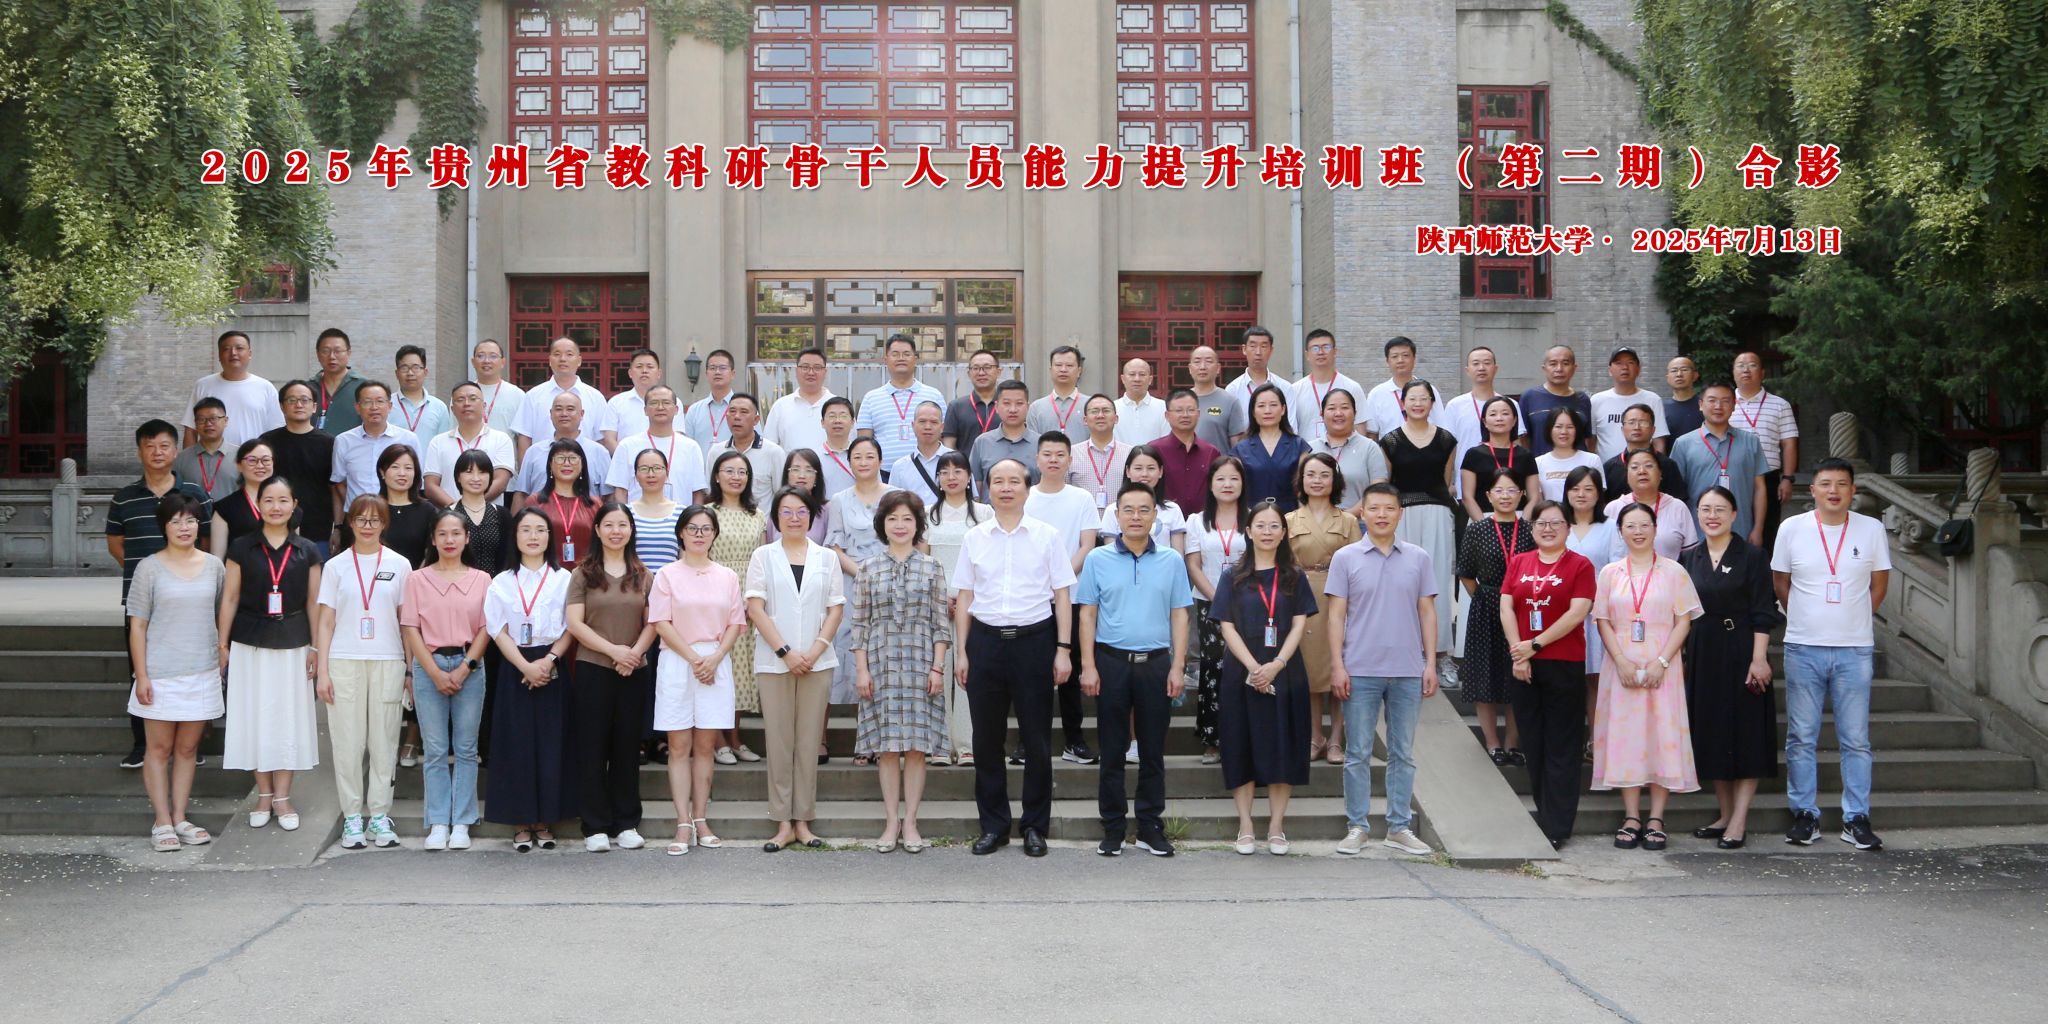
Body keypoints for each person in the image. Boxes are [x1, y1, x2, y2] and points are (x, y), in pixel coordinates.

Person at [950, 458, 1077, 857]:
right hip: (985, 643)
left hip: (1034, 642)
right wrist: (962, 652)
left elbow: (1062, 596)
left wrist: (1063, 650)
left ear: (1027, 487)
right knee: (986, 740)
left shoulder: (1047, 536)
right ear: (987, 489)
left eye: (1014, 481)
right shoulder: (975, 537)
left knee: (1037, 739)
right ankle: (994, 826)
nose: (1006, 488)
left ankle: (1035, 827)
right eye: (998, 481)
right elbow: (965, 596)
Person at [1772, 458, 1890, 851]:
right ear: (1813, 490)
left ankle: (1856, 818)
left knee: (1855, 739)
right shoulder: (1792, 528)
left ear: (1853, 490)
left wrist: (1853, 618)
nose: (1834, 491)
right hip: (1803, 646)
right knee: (1801, 736)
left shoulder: (1871, 529)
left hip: (1854, 648)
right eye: (1825, 483)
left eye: (1842, 483)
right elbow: (1781, 581)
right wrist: (1804, 617)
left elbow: (1879, 584)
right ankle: (1804, 815)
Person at [1077, 480, 1192, 857]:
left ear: (1156, 516)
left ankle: (1149, 827)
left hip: (1156, 664)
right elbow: (1087, 615)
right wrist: (1088, 665)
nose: (1136, 517)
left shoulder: (1171, 561)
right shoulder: (1098, 559)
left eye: (1144, 510)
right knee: (1112, 751)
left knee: (1153, 751)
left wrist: (1178, 666)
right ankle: (1112, 827)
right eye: (1128, 510)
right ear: (1117, 515)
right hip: (1111, 663)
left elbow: (1180, 615)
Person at [1325, 483, 1440, 857]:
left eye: (1389, 508)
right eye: (1374, 508)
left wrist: (1430, 663)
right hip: (1360, 668)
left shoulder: (1418, 557)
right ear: (1363, 512)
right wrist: (1337, 665)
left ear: (1400, 513)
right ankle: (1357, 826)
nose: (1381, 515)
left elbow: (1427, 611)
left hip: (1407, 669)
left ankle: (1398, 827)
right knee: (1357, 752)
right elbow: (1336, 615)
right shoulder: (1345, 557)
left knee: (1402, 753)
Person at [1593, 500, 1702, 852]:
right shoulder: (1610, 573)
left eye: (1645, 525)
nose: (1638, 532)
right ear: (1620, 532)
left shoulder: (1674, 571)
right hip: (1621, 666)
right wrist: (1621, 661)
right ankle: (1631, 816)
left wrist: (1663, 662)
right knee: (1626, 738)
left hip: (1662, 667)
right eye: (1630, 526)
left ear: (1656, 530)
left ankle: (1656, 817)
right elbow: (1602, 621)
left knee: (1661, 736)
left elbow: (1683, 620)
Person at [849, 491, 953, 853]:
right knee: (888, 748)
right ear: (882, 524)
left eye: (907, 518)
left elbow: (941, 624)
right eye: (892, 518)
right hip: (881, 665)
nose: (900, 525)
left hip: (921, 665)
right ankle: (891, 820)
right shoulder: (868, 568)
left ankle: (911, 821)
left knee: (917, 748)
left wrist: (938, 667)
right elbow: (859, 624)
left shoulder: (932, 567)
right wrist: (861, 670)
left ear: (917, 524)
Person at [107, 419, 215, 769]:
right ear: (140, 451)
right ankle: (142, 744)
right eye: (149, 446)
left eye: (164, 445)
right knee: (140, 668)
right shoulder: (124, 497)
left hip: (190, 599)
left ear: (175, 450)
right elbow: (115, 543)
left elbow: (207, 540)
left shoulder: (194, 493)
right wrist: (152, 577)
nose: (157, 452)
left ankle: (192, 744)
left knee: (194, 666)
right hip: (142, 600)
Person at [1678, 487, 1781, 850]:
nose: (1712, 516)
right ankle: (1723, 814)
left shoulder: (1752, 555)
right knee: (1712, 733)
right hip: (1703, 650)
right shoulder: (1688, 558)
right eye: (1705, 509)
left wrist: (1759, 658)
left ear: (1735, 514)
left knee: (1747, 731)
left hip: (1742, 648)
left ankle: (1739, 820)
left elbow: (1763, 610)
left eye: (1720, 509)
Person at [217, 476, 322, 833]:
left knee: (287, 718)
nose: (276, 507)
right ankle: (263, 794)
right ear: (258, 505)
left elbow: (314, 602)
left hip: (294, 641)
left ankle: (283, 796)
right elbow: (230, 598)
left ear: (294, 505)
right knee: (254, 716)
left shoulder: (308, 550)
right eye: (269, 500)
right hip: (249, 640)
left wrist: (316, 647)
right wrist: (222, 645)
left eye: (283, 500)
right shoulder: (241, 547)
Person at [1211, 499, 1315, 854]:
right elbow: (1226, 625)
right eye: (1260, 526)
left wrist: (1277, 664)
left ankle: (1276, 827)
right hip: (1241, 670)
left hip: (1286, 671)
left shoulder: (1294, 576)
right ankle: (1245, 826)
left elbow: (1299, 623)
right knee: (1240, 744)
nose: (1267, 532)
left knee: (1283, 746)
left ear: (1284, 532)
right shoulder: (1233, 576)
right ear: (1248, 531)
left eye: (1274, 526)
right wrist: (1255, 668)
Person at [126, 492, 226, 852]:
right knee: (158, 748)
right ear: (164, 527)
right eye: (176, 521)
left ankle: (180, 817)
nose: (184, 527)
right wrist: (142, 674)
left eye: (191, 520)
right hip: (160, 671)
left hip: (201, 670)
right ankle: (162, 821)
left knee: (187, 748)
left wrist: (222, 651)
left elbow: (221, 613)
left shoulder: (214, 566)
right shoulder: (149, 568)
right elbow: (137, 625)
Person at [747, 487, 846, 850]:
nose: (793, 518)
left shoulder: (827, 558)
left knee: (808, 741)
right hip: (775, 662)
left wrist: (815, 649)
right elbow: (755, 608)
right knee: (779, 741)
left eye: (801, 511)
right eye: (786, 512)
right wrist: (786, 651)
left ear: (812, 516)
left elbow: (836, 608)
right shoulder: (763, 556)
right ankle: (782, 822)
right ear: (776, 517)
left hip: (817, 662)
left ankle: (803, 820)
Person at [648, 504, 748, 854]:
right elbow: (660, 622)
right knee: (679, 746)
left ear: (715, 534)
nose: (699, 534)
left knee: (706, 746)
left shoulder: (727, 576)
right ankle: (682, 822)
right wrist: (694, 659)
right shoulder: (666, 574)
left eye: (706, 528)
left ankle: (702, 818)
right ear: (681, 532)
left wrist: (715, 657)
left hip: (715, 661)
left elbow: (736, 622)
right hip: (678, 661)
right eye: (692, 528)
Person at [314, 494, 412, 850]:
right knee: (348, 743)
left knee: (384, 742)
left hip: (388, 659)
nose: (367, 526)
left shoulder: (400, 564)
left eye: (375, 520)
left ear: (384, 524)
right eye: (360, 519)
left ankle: (380, 815)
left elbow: (406, 622)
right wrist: (323, 671)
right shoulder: (335, 566)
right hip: (344, 659)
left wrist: (410, 670)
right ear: (350, 523)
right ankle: (353, 817)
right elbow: (326, 621)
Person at [1499, 499, 1598, 849]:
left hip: (1563, 663)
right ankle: (1545, 813)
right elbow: (1507, 606)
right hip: (1523, 664)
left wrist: (1535, 645)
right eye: (1541, 523)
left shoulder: (1580, 565)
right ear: (1532, 528)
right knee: (1534, 743)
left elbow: (1577, 612)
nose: (1548, 528)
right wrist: (1519, 652)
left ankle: (1558, 825)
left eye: (1556, 523)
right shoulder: (1520, 562)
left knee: (1561, 746)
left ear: (1568, 528)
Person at [565, 503, 658, 853]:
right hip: (594, 668)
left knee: (627, 748)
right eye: (609, 525)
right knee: (592, 747)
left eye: (622, 525)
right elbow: (575, 624)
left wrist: (633, 654)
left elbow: (653, 622)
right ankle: (595, 825)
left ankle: (626, 822)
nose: (616, 531)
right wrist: (614, 651)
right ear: (598, 530)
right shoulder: (583, 573)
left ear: (631, 530)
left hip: (634, 670)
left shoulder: (643, 574)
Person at [398, 510, 492, 852]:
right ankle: (438, 821)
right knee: (436, 749)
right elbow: (411, 627)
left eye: (456, 533)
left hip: (470, 665)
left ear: (467, 538)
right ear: (433, 539)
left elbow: (486, 628)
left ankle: (462, 821)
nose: (449, 540)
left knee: (466, 748)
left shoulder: (482, 579)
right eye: (442, 534)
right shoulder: (417, 579)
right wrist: (434, 672)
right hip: (429, 665)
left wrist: (466, 667)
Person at [484, 507, 577, 851]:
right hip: (515, 666)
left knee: (552, 743)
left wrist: (549, 661)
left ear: (550, 537)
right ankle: (521, 821)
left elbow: (572, 626)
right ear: (515, 536)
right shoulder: (501, 581)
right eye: (526, 530)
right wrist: (525, 666)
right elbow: (497, 630)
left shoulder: (565, 578)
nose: (533, 536)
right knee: (517, 744)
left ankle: (545, 819)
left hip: (553, 663)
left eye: (540, 530)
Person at [1025, 432, 1101, 766]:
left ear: (1070, 460)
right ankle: (1029, 743)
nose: (1053, 460)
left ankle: (1074, 740)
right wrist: (1044, 581)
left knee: (1070, 671)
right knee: (1033, 673)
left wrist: (1060, 577)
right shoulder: (1025, 497)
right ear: (1037, 459)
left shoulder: (1081, 498)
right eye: (1047, 454)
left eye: (1060, 454)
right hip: (1032, 598)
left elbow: (1087, 544)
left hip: (1074, 594)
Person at [824, 437, 902, 756]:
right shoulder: (839, 500)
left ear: (880, 460)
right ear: (850, 463)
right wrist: (862, 573)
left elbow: (905, 538)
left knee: (886, 657)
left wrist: (885, 574)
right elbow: (834, 546)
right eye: (857, 457)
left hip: (892, 583)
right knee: (856, 656)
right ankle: (862, 741)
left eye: (870, 456)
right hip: (853, 584)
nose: (864, 462)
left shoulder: (896, 496)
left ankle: (884, 740)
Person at [1380, 379, 1460, 685]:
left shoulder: (1446, 439)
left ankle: (1440, 654)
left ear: (1432, 403)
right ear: (1403, 403)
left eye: (1423, 398)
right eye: (1412, 398)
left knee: (1437, 581)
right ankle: (1407, 653)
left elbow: (1446, 482)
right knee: (1403, 582)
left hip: (1437, 513)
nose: (1417, 403)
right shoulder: (1390, 441)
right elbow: (1386, 484)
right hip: (1402, 515)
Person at [1285, 453, 1358, 766]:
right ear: (1301, 480)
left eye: (1324, 474)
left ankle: (1336, 738)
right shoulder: (1289, 520)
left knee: (1339, 668)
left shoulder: (1348, 521)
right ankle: (1315, 736)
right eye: (1311, 474)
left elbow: (1357, 564)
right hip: (1302, 596)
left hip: (1340, 595)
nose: (1317, 481)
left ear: (1335, 480)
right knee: (1311, 671)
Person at [1458, 472, 1535, 764]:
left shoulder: (1530, 530)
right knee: (1485, 676)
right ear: (1488, 496)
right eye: (1498, 491)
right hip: (1487, 608)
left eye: (1512, 490)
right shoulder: (1477, 529)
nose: (1505, 496)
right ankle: (1493, 744)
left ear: (1522, 495)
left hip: (1523, 608)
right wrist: (1484, 597)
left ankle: (1513, 743)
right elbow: (1466, 573)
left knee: (1518, 677)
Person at [925, 452, 990, 766]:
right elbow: (923, 561)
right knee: (938, 671)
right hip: (936, 603)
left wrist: (967, 599)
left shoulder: (984, 513)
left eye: (958, 471)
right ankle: (939, 743)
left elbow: (989, 560)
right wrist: (940, 598)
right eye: (945, 472)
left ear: (969, 478)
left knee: (967, 673)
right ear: (938, 479)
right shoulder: (927, 514)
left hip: (974, 604)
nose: (951, 477)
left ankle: (967, 744)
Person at [1184, 456, 1248, 764]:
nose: (1227, 484)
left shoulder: (1254, 517)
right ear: (1210, 484)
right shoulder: (1197, 521)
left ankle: (1244, 739)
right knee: (1213, 669)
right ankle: (1212, 740)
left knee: (1245, 667)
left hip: (1249, 606)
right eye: (1220, 478)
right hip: (1209, 605)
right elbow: (1193, 565)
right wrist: (1219, 599)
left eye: (1234, 478)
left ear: (1243, 483)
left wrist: (1240, 599)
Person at [707, 450, 769, 765]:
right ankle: (716, 739)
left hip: (749, 601)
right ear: (717, 476)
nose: (736, 477)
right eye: (729, 471)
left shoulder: (758, 515)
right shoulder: (706, 513)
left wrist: (754, 598)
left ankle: (735, 737)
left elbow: (762, 559)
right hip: (715, 598)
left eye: (742, 472)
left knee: (741, 674)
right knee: (719, 669)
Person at [1563, 466, 1619, 758]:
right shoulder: (1558, 524)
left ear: (1599, 493)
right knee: (1567, 680)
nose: (1581, 495)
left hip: (1598, 613)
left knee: (1596, 679)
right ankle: (1567, 743)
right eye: (1575, 489)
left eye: (1588, 489)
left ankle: (1596, 741)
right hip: (1561, 614)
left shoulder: (1610, 527)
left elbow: (1617, 571)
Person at [1671, 381, 1769, 545]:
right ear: (1701, 405)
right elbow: (1675, 493)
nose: (1718, 406)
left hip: (1741, 531)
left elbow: (1759, 488)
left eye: (1725, 401)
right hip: (1696, 534)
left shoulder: (1751, 441)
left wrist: (1758, 528)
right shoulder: (1683, 444)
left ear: (1734, 405)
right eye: (1712, 400)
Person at [261, 380, 337, 557]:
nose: (299, 405)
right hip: (275, 527)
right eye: (292, 400)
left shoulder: (330, 443)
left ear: (314, 407)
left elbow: (335, 488)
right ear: (282, 406)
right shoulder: (267, 442)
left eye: (304, 400)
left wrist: (338, 527)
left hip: (318, 529)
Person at [1733, 351, 1800, 553]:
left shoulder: (1780, 405)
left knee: (1767, 531)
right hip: (1735, 475)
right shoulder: (1724, 403)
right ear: (1733, 372)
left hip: (1769, 475)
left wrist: (1787, 478)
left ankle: (1765, 570)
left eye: (1752, 365)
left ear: (1762, 372)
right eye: (1740, 365)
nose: (1746, 370)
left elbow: (1789, 443)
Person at [329, 381, 420, 520]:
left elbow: (416, 480)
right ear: (357, 407)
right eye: (367, 402)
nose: (374, 407)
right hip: (357, 517)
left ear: (390, 406)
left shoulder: (408, 439)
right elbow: (339, 481)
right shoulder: (343, 441)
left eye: (380, 401)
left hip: (397, 515)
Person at [514, 336, 614, 462]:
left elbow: (601, 440)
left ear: (579, 360)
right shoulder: (533, 396)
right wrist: (526, 470)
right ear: (550, 360)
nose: (562, 359)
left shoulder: (595, 397)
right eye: (557, 354)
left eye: (569, 354)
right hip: (542, 465)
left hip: (585, 466)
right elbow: (524, 438)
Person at [857, 335, 948, 474]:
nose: (901, 358)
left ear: (915, 359)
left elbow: (943, 435)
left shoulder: (934, 395)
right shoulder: (871, 398)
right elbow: (864, 443)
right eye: (895, 354)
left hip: (928, 472)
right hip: (884, 474)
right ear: (886, 360)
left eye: (906, 354)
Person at [1442, 345, 1523, 501]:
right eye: (1476, 363)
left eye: (1486, 363)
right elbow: (1449, 449)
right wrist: (1447, 484)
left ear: (1495, 368)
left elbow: (1517, 443)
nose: (1481, 368)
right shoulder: (1455, 405)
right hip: (1466, 487)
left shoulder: (1510, 405)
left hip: (1506, 490)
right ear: (1467, 370)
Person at [183, 329, 283, 448]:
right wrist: (188, 459)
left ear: (250, 354)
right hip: (211, 457)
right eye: (226, 349)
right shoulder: (203, 385)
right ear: (219, 355)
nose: (233, 353)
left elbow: (277, 431)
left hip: (254, 457)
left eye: (239, 348)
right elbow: (190, 430)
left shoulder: (266, 387)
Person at [604, 384, 703, 503]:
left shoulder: (691, 447)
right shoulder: (627, 446)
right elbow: (620, 491)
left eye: (666, 403)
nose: (660, 407)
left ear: (676, 410)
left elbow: (697, 493)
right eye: (654, 403)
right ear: (645, 410)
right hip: (638, 514)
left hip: (681, 514)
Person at [422, 380, 515, 506]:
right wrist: (456, 510)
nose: (466, 403)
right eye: (460, 400)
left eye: (473, 398)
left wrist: (471, 506)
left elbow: (501, 482)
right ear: (452, 409)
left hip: (489, 514)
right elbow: (431, 485)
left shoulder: (501, 439)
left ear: (484, 405)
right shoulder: (438, 442)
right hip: (449, 515)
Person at [512, 391, 613, 503]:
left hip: (586, 513)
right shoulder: (534, 452)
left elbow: (609, 497)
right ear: (551, 414)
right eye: (558, 409)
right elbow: (522, 494)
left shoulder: (599, 452)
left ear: (581, 414)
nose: (564, 414)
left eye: (570, 409)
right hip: (540, 513)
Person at [1603, 450, 1698, 560]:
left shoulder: (1677, 507)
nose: (1642, 471)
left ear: (1660, 473)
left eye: (1648, 466)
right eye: (1634, 467)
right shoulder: (1613, 508)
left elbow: (1691, 556)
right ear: (1627, 476)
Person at [1458, 395, 1539, 520]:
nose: (1499, 418)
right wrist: (1484, 526)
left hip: (1519, 518)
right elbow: (1467, 497)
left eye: (1505, 413)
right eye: (1493, 414)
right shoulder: (1473, 455)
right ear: (1484, 422)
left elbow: (1534, 497)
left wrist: (1524, 524)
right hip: (1483, 519)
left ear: (1514, 420)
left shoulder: (1526, 455)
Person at [1232, 384, 1311, 512]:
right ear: (1253, 411)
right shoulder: (1241, 449)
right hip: (1252, 515)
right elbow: (1236, 491)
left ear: (1283, 409)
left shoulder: (1299, 446)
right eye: (1261, 406)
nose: (1267, 411)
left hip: (1290, 514)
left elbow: (1304, 491)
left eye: (1273, 405)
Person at [1309, 388, 1389, 513]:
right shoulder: (1310, 449)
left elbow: (1377, 489)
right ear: (1322, 414)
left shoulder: (1370, 448)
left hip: (1359, 521)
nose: (1338, 413)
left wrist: (1347, 516)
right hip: (1317, 520)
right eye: (1331, 408)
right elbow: (1300, 491)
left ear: (1355, 413)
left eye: (1345, 408)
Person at [211, 439, 299, 552]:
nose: (260, 465)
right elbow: (217, 557)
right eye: (252, 460)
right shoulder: (225, 508)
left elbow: (297, 551)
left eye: (266, 460)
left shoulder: (288, 503)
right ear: (239, 465)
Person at [707, 392, 788, 511]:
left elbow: (782, 496)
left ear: (756, 420)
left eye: (744, 412)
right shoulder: (716, 452)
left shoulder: (774, 453)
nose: (737, 417)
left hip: (761, 522)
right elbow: (711, 493)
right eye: (732, 411)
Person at [526, 439, 600, 568]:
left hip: (587, 575)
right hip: (547, 574)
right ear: (550, 464)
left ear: (582, 464)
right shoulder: (535, 502)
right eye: (560, 458)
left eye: (573, 458)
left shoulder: (595, 504)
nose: (566, 463)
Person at [1598, 403, 1688, 504]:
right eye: (1631, 422)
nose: (1637, 427)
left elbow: (1677, 502)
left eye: (1643, 422)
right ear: (1622, 430)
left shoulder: (1667, 465)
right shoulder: (1610, 467)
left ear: (1653, 430)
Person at [1103, 444, 1185, 555]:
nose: (1144, 474)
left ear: (1160, 472)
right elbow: (1109, 555)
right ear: (1128, 471)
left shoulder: (1173, 510)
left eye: (1151, 468)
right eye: (1138, 468)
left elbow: (1178, 555)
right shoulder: (1112, 510)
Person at [1590, 347, 1672, 456]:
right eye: (1618, 363)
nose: (1625, 367)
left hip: (1643, 465)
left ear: (1638, 369)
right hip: (1606, 466)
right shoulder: (1596, 400)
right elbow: (1591, 440)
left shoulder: (1652, 400)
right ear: (1610, 370)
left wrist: (1658, 464)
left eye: (1630, 363)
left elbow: (1659, 440)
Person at [1152, 388, 1222, 514]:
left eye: (1190, 410)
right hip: (1165, 521)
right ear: (1167, 416)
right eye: (1179, 410)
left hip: (1203, 521)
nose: (1185, 415)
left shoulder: (1211, 452)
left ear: (1198, 414)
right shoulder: (1154, 450)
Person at [1359, 335, 1443, 438]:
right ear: (1387, 361)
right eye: (1395, 356)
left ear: (1414, 359)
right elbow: (1372, 434)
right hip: (1389, 448)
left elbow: (1441, 427)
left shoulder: (1429, 390)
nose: (1400, 360)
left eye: (1405, 355)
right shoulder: (1377, 394)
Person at [1291, 329, 1368, 442]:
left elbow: (1360, 428)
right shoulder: (1295, 390)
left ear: (1335, 351)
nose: (1320, 352)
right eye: (1315, 348)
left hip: (1344, 451)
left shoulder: (1352, 387)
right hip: (1308, 452)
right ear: (1307, 354)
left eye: (1326, 347)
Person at [1518, 345, 1592, 456]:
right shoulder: (1529, 397)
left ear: (1574, 368)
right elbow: (1523, 438)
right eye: (1553, 364)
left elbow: (1588, 438)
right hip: (1540, 464)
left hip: (1578, 466)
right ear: (1544, 368)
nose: (1559, 369)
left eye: (1565, 363)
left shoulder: (1582, 399)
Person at [968, 379, 1039, 496]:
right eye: (1006, 403)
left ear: (1027, 407)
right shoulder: (982, 442)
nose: (1013, 409)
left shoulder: (1040, 444)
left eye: (1019, 403)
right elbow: (975, 488)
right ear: (996, 407)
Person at [765, 347, 834, 454]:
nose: (811, 372)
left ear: (825, 372)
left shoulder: (837, 405)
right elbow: (769, 447)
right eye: (805, 367)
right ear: (796, 371)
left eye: (817, 367)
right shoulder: (781, 406)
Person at [449, 450, 507, 575]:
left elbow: (509, 558)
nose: (476, 478)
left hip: (496, 585)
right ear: (458, 477)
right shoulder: (447, 515)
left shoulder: (502, 515)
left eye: (482, 472)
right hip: (458, 583)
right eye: (469, 472)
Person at [375, 445, 433, 568]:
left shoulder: (428, 511)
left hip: (417, 576)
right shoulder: (372, 509)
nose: (402, 473)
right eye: (395, 467)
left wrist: (416, 576)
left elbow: (431, 552)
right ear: (382, 472)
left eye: (408, 468)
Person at [1070, 394, 1130, 512]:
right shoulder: (1071, 454)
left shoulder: (1130, 454)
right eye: (1094, 411)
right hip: (1082, 521)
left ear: (1116, 418)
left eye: (1106, 411)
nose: (1100, 415)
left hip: (1119, 521)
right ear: (1085, 420)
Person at [885, 400, 950, 506]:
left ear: (942, 427)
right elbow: (893, 506)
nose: (928, 427)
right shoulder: (900, 467)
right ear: (913, 425)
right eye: (922, 421)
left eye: (934, 422)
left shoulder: (957, 461)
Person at [628, 449, 684, 571]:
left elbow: (685, 558)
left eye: (657, 468)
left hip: (670, 582)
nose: (651, 474)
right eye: (644, 469)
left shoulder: (681, 513)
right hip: (634, 582)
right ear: (636, 475)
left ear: (667, 473)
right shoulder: (626, 513)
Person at [175, 398, 240, 502]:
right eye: (202, 419)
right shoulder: (181, 459)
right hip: (194, 513)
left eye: (213, 418)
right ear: (195, 423)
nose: (208, 424)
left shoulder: (240, 456)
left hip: (231, 512)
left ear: (225, 421)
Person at [1533, 407, 1602, 503]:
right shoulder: (1538, 463)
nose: (1564, 432)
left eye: (1570, 427)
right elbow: (1538, 501)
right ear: (1549, 429)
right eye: (1558, 426)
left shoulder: (1592, 460)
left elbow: (1599, 497)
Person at [940, 347, 1002, 453]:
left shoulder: (1008, 406)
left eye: (987, 367)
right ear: (969, 373)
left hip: (1003, 463)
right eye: (976, 368)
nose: (981, 373)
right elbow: (948, 445)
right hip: (966, 463)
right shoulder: (956, 406)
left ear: (998, 372)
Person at [1187, 345, 1247, 450]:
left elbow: (1237, 445)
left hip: (1219, 460)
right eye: (1197, 362)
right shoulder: (1181, 401)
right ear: (1190, 368)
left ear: (1218, 368)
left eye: (1209, 361)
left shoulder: (1230, 401)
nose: (1202, 367)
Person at [310, 327, 367, 435]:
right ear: (317, 354)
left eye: (338, 351)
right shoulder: (307, 388)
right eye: (325, 351)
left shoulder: (364, 387)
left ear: (348, 353)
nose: (332, 356)